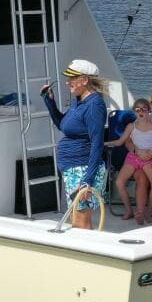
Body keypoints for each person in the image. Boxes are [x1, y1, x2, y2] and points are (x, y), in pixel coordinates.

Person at [41, 58, 108, 229]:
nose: (67, 82)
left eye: (72, 78)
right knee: (76, 220)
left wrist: (87, 180)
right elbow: (63, 125)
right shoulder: (79, 100)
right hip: (73, 168)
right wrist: (49, 101)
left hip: (83, 170)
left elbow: (97, 145)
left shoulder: (94, 105)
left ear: (84, 80)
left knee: (81, 223)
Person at [105, 97, 152, 224]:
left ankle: (148, 212)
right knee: (119, 182)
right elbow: (120, 142)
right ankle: (129, 210)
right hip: (133, 158)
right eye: (138, 110)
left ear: (149, 111)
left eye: (144, 109)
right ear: (134, 112)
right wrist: (104, 143)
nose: (141, 112)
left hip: (148, 159)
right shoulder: (131, 126)